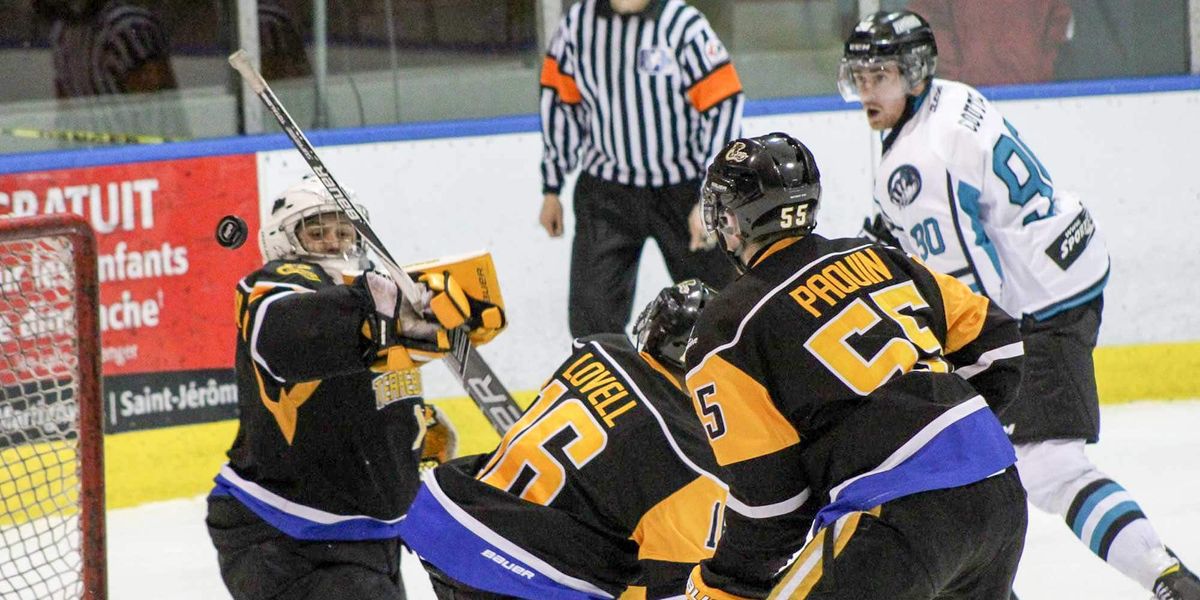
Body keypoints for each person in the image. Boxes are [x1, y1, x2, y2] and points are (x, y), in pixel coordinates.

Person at [839, 10, 1200, 599]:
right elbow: (910, 221)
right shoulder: (950, 99)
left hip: (1040, 305)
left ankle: (1169, 579)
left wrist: (962, 363)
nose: (866, 92)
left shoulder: (918, 161)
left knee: (1045, 466)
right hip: (1067, 263)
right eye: (859, 77)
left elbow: (974, 288)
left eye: (880, 76)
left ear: (915, 72)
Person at [684, 133, 1028, 599]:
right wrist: (950, 438)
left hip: (895, 516)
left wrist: (723, 580)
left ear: (731, 220)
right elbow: (999, 348)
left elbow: (773, 506)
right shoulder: (877, 257)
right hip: (999, 493)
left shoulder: (726, 330)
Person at [205, 176, 504, 600]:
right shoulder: (277, 284)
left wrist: (407, 432)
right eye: (317, 232)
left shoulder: (370, 302)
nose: (333, 242)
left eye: (344, 232)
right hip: (284, 537)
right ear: (281, 239)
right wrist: (373, 311)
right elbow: (287, 332)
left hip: (360, 536)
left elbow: (360, 381)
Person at [399, 280, 729, 599]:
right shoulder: (692, 461)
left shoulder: (597, 350)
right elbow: (675, 587)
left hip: (446, 522)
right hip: (525, 578)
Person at [538, 0, 741, 339]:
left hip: (684, 191)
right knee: (591, 319)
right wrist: (551, 186)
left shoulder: (682, 25)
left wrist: (711, 195)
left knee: (723, 308)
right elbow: (560, 101)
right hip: (607, 192)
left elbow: (723, 103)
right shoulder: (578, 26)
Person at [903, 0, 1072, 86]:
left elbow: (1058, 20)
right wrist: (958, 81)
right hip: (967, 104)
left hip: (1036, 99)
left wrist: (1040, 74)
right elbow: (926, 26)